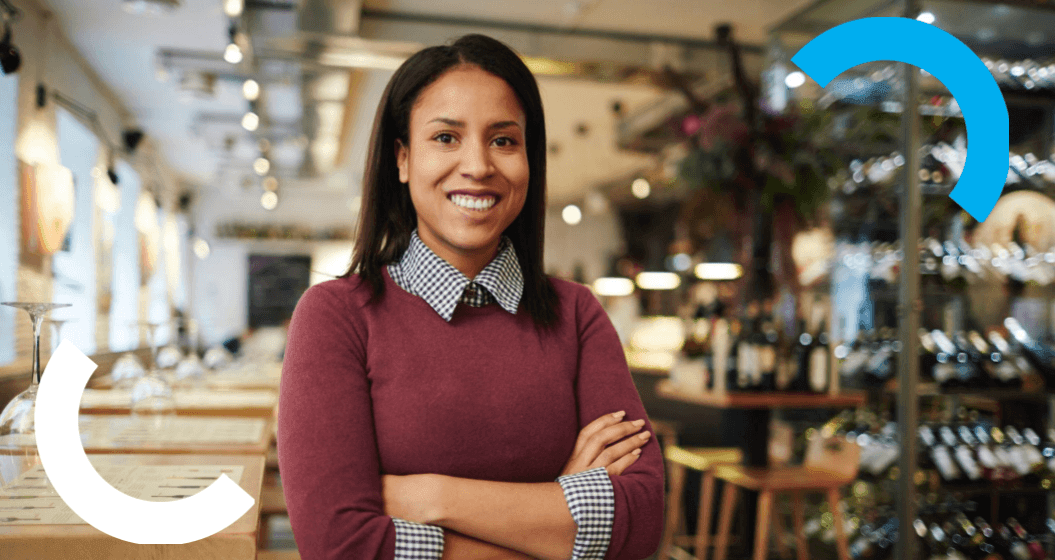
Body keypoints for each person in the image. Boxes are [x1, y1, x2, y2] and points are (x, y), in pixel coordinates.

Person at [278, 33, 663, 560]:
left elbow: (640, 523)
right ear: (403, 159)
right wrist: (557, 516)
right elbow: (340, 544)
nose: (479, 165)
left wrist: (430, 496)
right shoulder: (337, 317)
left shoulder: (576, 314)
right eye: (446, 138)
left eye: (504, 140)